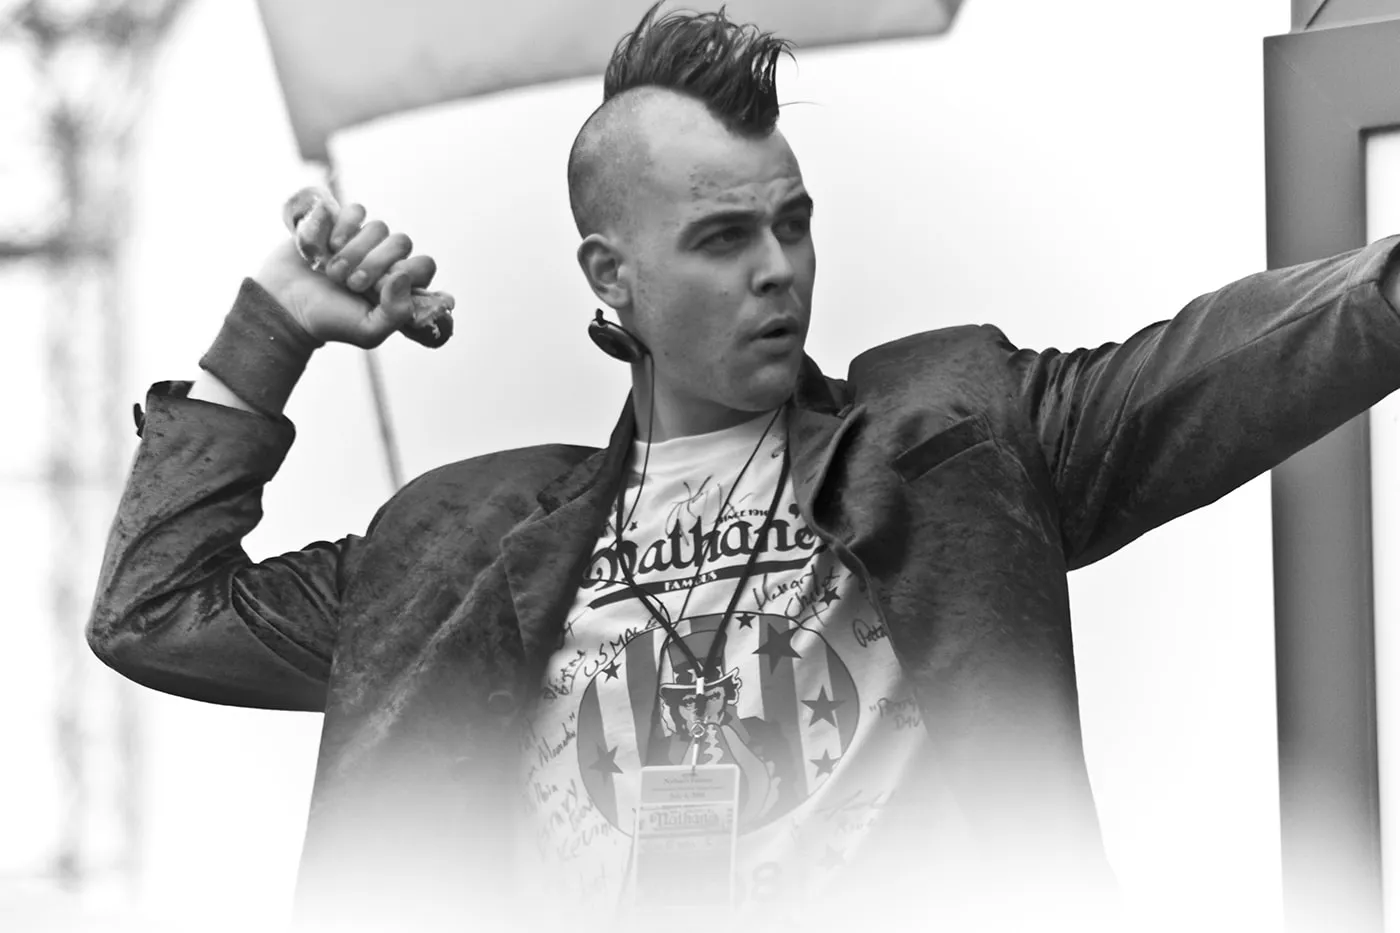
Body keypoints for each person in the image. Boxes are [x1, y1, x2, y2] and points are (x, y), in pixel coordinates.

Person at [89, 3, 1400, 932]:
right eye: (722, 237)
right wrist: (269, 333)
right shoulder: (464, 538)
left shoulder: (952, 433)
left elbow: (1280, 343)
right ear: (613, 274)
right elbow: (157, 611)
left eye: (791, 222)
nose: (778, 267)